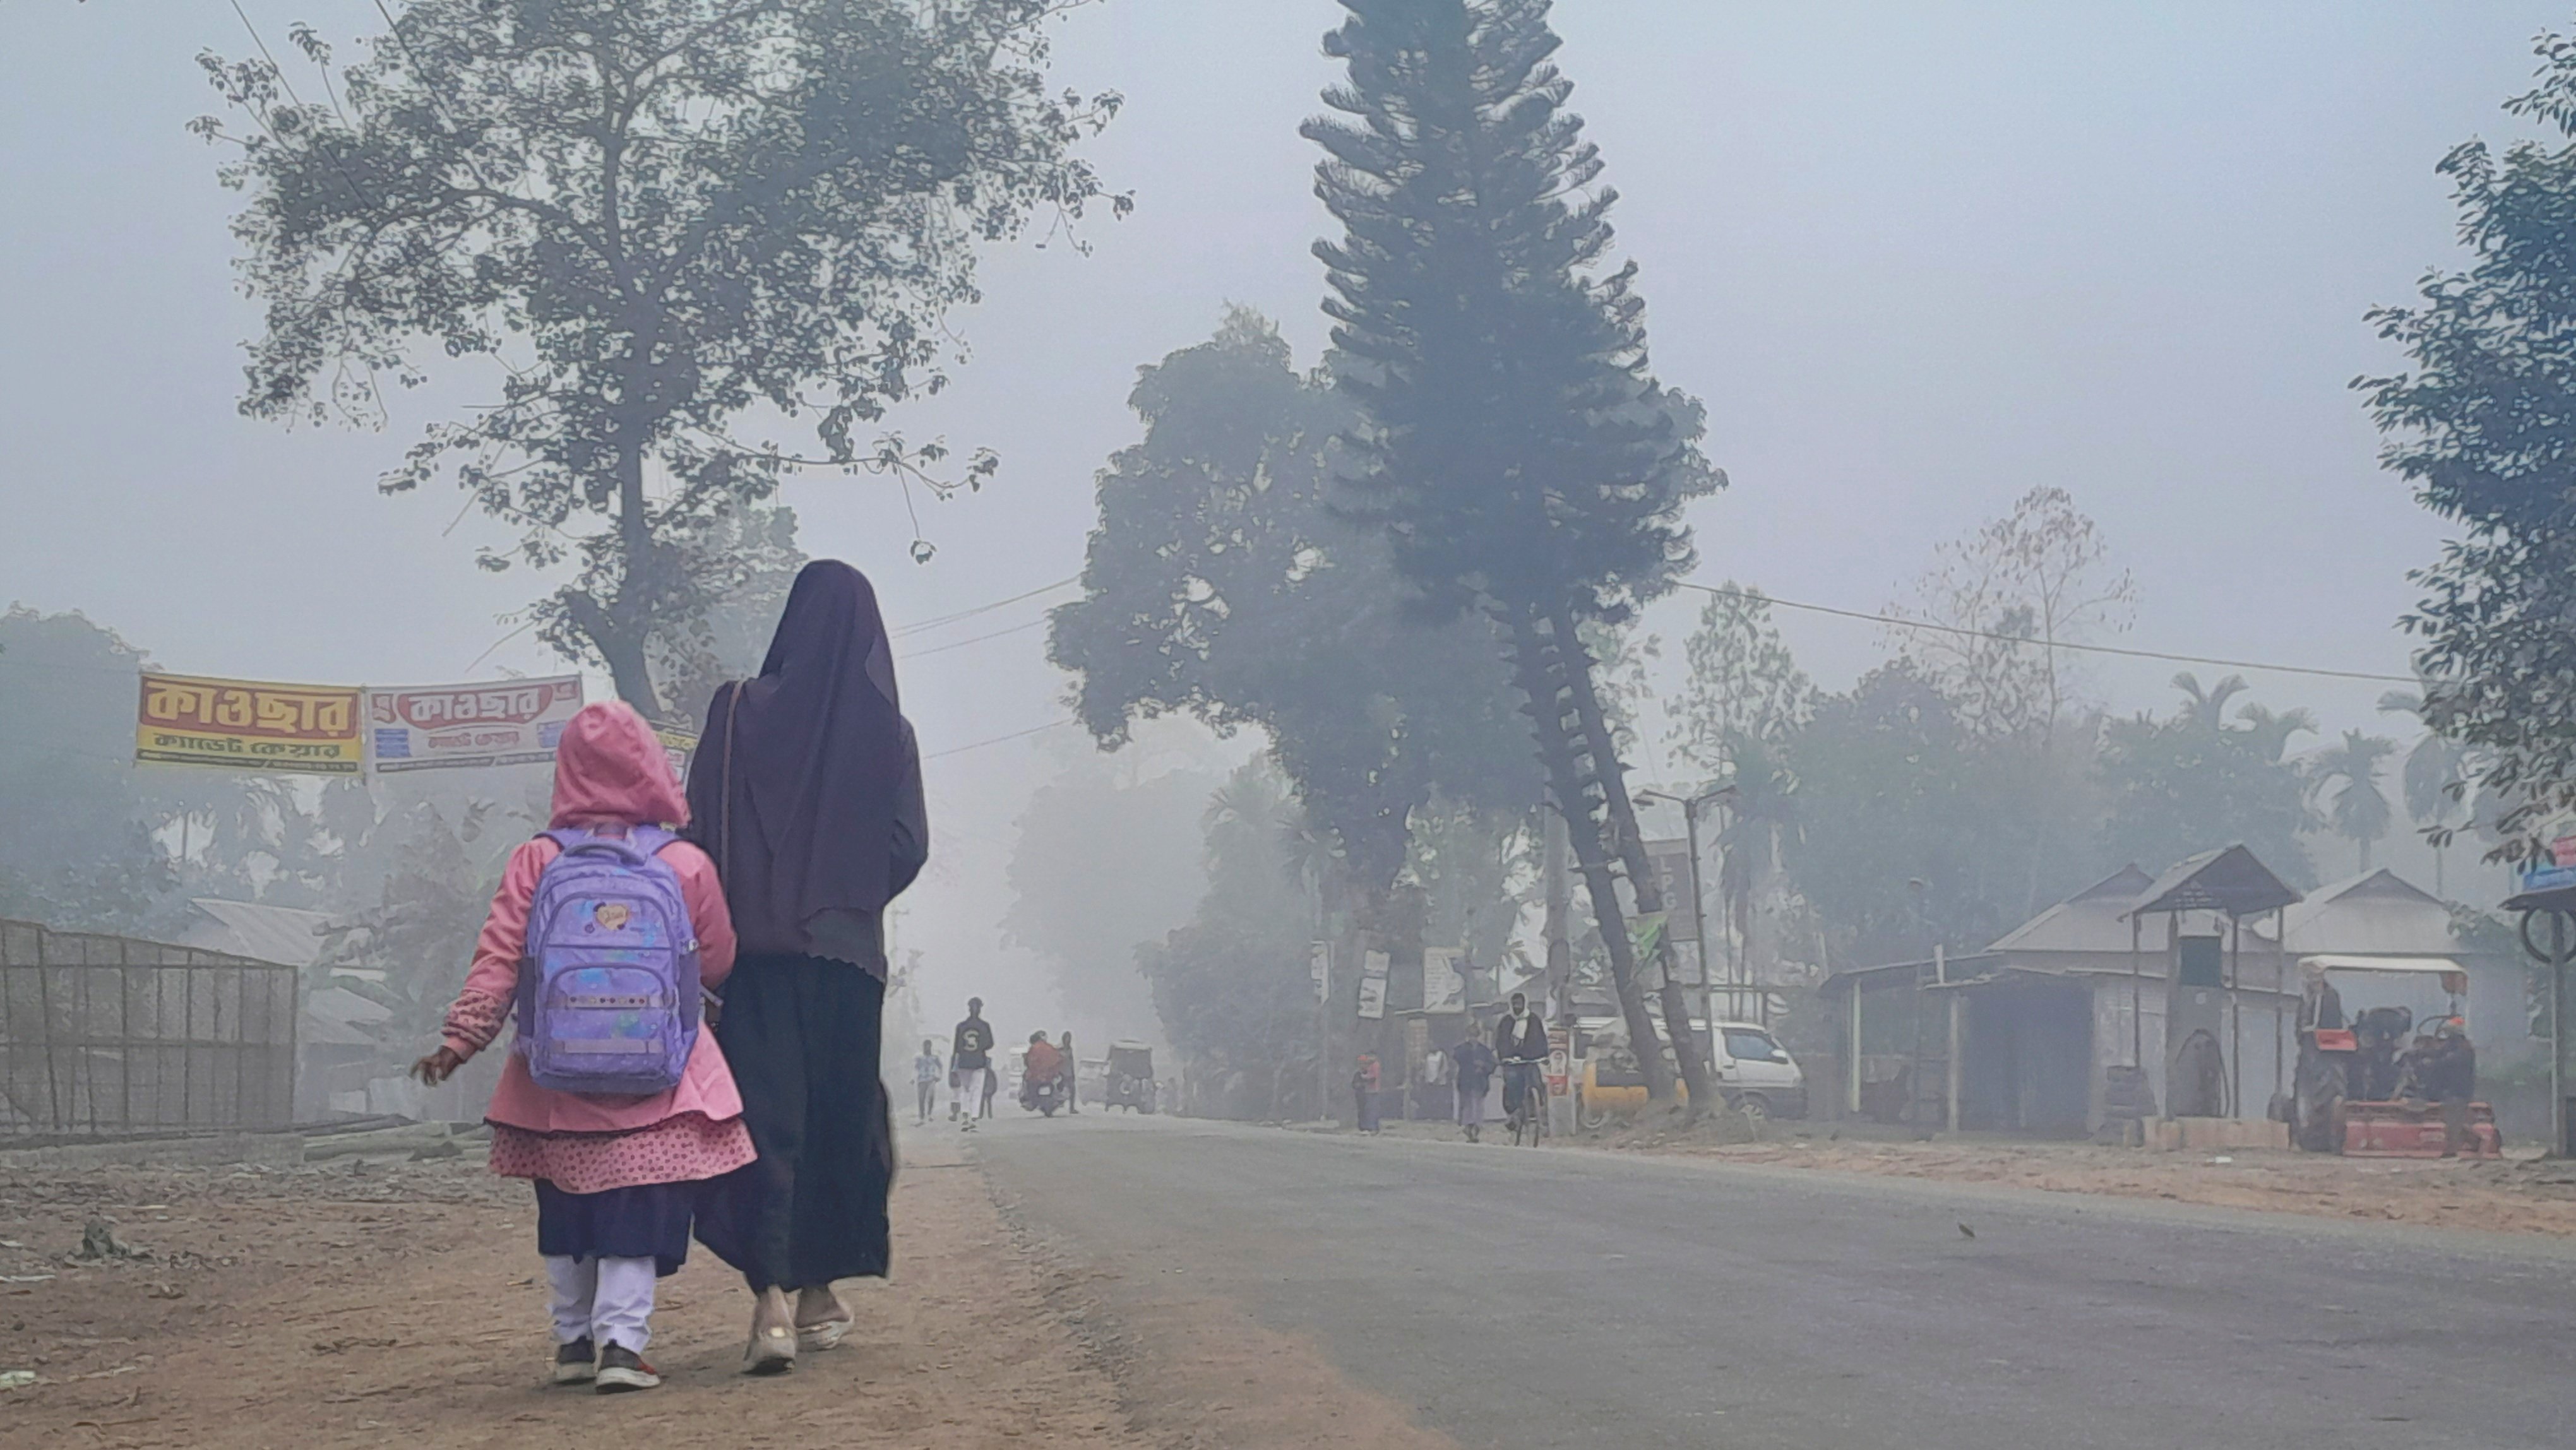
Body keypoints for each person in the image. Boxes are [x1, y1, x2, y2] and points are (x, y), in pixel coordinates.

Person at [411, 701, 752, 1395]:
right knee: (638, 1208)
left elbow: (500, 955)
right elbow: (716, 960)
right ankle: (623, 1344)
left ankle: (571, 1339)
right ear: (654, 767)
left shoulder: (537, 857)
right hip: (657, 1078)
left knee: (566, 1209)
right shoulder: (684, 861)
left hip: (553, 1079)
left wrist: (462, 1037)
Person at [687, 561, 929, 1376]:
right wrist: (847, 895)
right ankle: (820, 1286)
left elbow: (698, 830)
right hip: (848, 964)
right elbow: (909, 846)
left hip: (755, 962)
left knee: (764, 1122)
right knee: (838, 1122)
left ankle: (773, 1303)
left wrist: (752, 902)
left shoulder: (732, 716)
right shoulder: (889, 734)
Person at [2424, 1018, 2479, 1157]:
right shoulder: (2452, 1046)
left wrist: (2432, 1063)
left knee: (2453, 1122)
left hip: (2459, 1092)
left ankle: (2453, 1149)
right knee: (2452, 1120)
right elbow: (2438, 1054)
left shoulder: (2464, 1049)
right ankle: (2474, 1141)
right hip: (2449, 1091)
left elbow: (2449, 1061)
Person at [1495, 992, 1549, 1130]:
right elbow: (1502, 1042)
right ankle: (1514, 1112)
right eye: (1515, 1004)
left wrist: (1543, 1055)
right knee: (1512, 1082)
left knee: (1538, 1081)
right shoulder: (1506, 1021)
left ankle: (1538, 1111)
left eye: (1519, 1003)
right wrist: (1507, 1056)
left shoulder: (1534, 1020)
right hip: (1512, 1062)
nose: (1517, 1007)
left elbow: (1540, 1039)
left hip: (1531, 1060)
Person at [1450, 1024, 1496, 1144]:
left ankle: (1477, 1127)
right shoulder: (1462, 1049)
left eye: (1475, 1036)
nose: (1473, 1038)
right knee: (1468, 1105)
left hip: (1480, 1081)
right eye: (1471, 1036)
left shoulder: (1484, 1050)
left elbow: (1492, 1065)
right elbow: (1456, 1058)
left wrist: (1483, 1066)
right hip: (1466, 1081)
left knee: (1478, 1106)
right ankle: (1468, 1127)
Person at [951, 998, 994, 1125]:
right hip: (979, 1062)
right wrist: (979, 1047)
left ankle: (965, 1114)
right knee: (977, 1090)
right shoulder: (985, 1026)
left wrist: (954, 1066)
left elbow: (957, 1048)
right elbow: (990, 1044)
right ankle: (974, 1116)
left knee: (965, 1089)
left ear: (969, 1008)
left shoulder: (961, 1026)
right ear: (981, 1009)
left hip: (964, 1063)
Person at [1022, 1031, 1065, 1110]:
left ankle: (1031, 1102)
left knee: (1028, 1084)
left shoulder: (1033, 1049)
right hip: (1050, 1076)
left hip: (1036, 1077)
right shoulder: (1050, 1048)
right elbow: (1059, 1059)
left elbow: (1029, 1062)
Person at [912, 1040, 943, 1126]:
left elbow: (940, 1066)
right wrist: (913, 1078)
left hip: (931, 1079)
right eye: (925, 1046)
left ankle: (930, 1113)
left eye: (928, 1046)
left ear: (931, 1046)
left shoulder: (935, 1057)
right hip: (921, 1079)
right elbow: (915, 1068)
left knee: (931, 1096)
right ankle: (921, 1116)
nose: (927, 1048)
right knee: (921, 1098)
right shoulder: (919, 1057)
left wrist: (939, 1076)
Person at [1353, 1054, 1382, 1134]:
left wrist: (1364, 1078)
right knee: (1365, 1111)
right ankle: (1365, 1127)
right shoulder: (1358, 1073)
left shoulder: (1374, 1066)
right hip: (1363, 1094)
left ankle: (1371, 1127)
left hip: (1371, 1092)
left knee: (1371, 1110)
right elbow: (1354, 1084)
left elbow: (1373, 1078)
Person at [1059, 1031, 1080, 1114]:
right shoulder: (1059, 1049)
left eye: (1069, 1038)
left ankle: (1072, 1108)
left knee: (1072, 1090)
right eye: (1066, 1038)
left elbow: (1071, 1062)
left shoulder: (1070, 1049)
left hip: (1069, 1073)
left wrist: (1073, 1073)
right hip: (1061, 1073)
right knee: (1059, 1090)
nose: (1068, 1040)